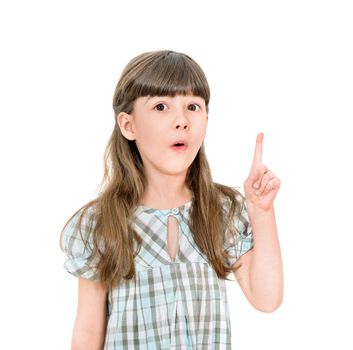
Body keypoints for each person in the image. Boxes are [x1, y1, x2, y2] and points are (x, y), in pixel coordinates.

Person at [60, 50, 283, 350]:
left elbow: (266, 298)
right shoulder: (101, 222)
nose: (181, 121)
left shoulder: (223, 211)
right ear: (128, 125)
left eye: (192, 106)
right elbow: (88, 332)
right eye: (161, 106)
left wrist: (262, 211)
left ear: (206, 119)